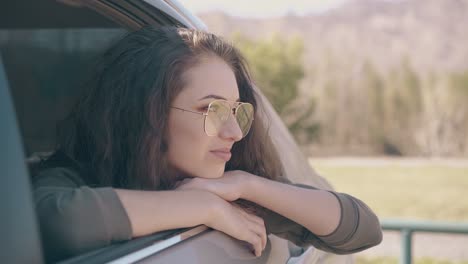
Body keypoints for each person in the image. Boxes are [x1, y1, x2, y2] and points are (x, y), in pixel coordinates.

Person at [32, 26, 382, 262]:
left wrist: (246, 184)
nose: (234, 132)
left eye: (236, 111)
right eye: (211, 109)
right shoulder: (68, 178)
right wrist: (203, 209)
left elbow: (364, 230)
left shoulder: (232, 187)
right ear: (143, 114)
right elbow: (55, 224)